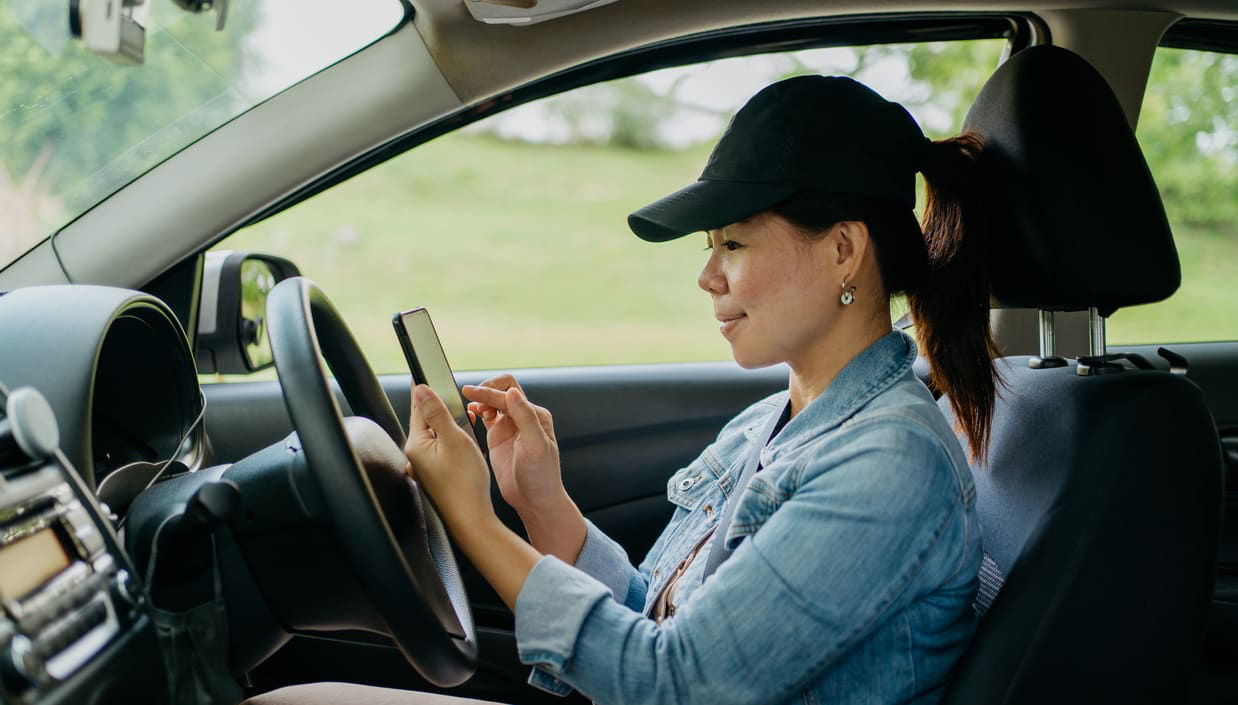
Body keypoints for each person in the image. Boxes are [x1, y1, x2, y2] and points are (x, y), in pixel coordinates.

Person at [403, 75, 996, 705]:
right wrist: (542, 504)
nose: (706, 277)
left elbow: (674, 682)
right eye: (710, 246)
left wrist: (470, 516)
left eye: (733, 243)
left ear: (844, 250)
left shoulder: (887, 466)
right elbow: (658, 617)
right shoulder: (770, 421)